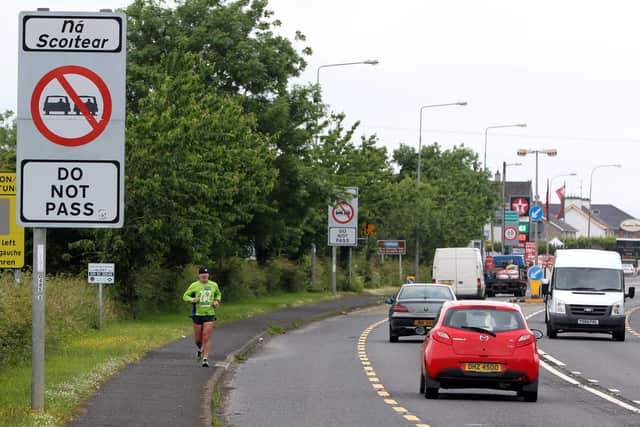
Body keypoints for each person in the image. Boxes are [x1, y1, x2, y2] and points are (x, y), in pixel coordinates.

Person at [183, 266, 221, 367]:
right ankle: (200, 350)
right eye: (202, 275)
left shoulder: (214, 285)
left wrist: (217, 301)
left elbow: (218, 294)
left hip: (209, 314)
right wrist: (192, 300)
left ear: (208, 275)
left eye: (206, 275)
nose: (204, 276)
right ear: (199, 276)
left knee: (206, 337)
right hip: (197, 315)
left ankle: (205, 359)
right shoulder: (194, 285)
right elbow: (185, 296)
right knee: (198, 340)